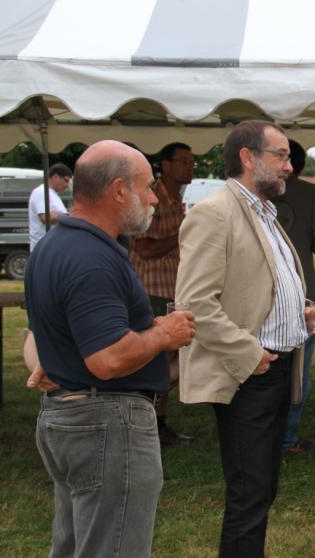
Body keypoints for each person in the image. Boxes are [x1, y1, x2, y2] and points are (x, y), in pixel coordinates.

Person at [24, 140, 196, 557]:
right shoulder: (93, 257)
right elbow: (107, 359)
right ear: (118, 191)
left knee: (74, 545)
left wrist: (50, 362)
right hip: (107, 422)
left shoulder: (53, 245)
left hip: (70, 416)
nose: (154, 197)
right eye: (145, 187)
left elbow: (36, 334)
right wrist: (164, 333)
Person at [175, 120, 315, 557]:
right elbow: (195, 302)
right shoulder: (215, 212)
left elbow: (256, 288)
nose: (288, 166)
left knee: (260, 490)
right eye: (280, 156)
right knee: (249, 496)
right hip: (250, 374)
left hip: (276, 369)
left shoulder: (264, 213)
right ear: (248, 158)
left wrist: (300, 313)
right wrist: (251, 353)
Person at [272, 139, 315, 454]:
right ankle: (287, 437)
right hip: (303, 294)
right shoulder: (314, 194)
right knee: (298, 370)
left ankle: (262, 433)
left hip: (262, 294)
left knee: (261, 366)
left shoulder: (257, 191)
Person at [130, 141, 195, 446]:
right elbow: (144, 248)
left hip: (172, 291)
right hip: (153, 292)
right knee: (156, 362)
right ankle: (142, 424)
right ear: (164, 165)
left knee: (170, 359)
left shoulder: (175, 200)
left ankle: (157, 425)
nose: (189, 167)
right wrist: (182, 233)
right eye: (183, 161)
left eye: (191, 161)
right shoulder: (152, 199)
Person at [28, 162, 72, 251]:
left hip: (53, 248)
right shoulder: (41, 192)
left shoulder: (53, 194)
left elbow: (55, 216)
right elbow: (45, 218)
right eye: (66, 180)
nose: (67, 185)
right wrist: (69, 216)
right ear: (55, 177)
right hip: (43, 249)